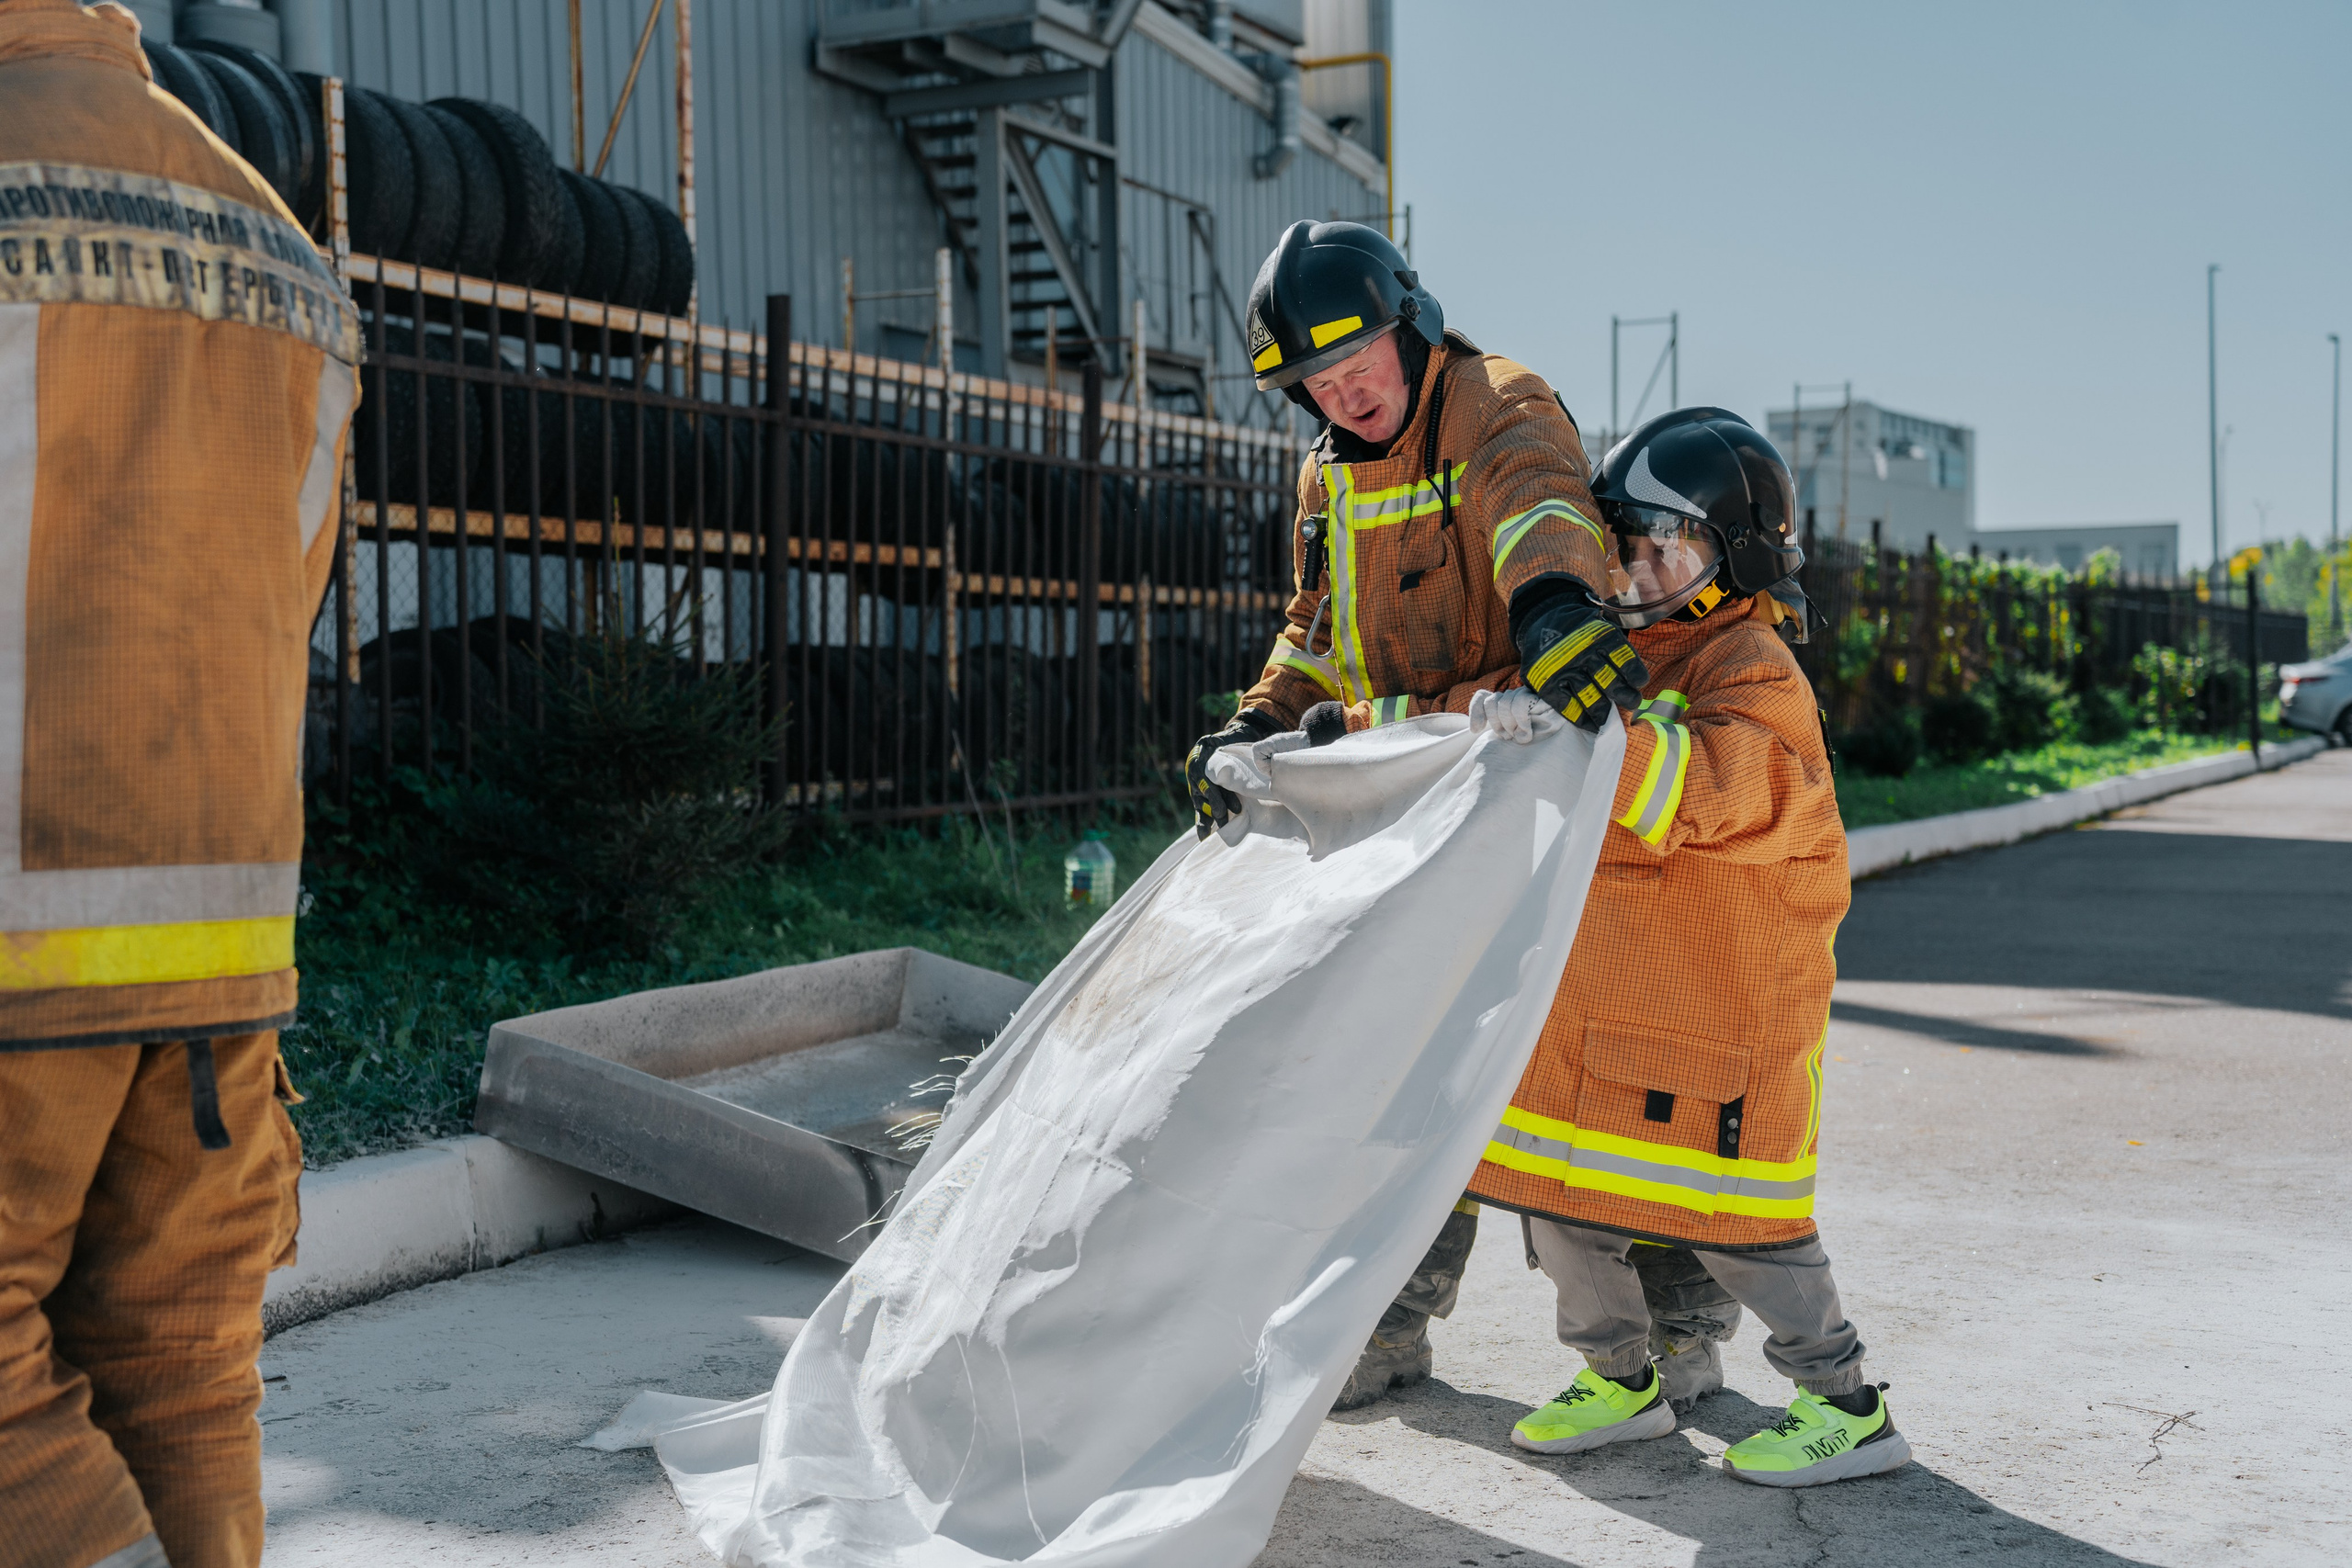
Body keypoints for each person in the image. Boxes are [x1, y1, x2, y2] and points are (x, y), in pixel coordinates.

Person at [0, 4, 361, 1564]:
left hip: (15, 905)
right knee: (187, 1373)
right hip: (217, 936)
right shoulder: (277, 241)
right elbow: (295, 589)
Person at [1183, 218, 1649, 1409]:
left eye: (1358, 362)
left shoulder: (1496, 400)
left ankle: (1674, 1331)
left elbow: (1539, 501)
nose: (1342, 391)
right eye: (1314, 381)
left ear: (1413, 326)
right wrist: (1259, 716)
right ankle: (1386, 1318)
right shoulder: (1327, 472)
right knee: (1395, 1080)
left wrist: (1554, 603)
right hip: (1412, 811)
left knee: (1583, 1075)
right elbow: (1317, 624)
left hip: (1526, 784)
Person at [1463, 407, 1909, 1487]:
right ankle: (1618, 1381)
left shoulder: (1749, 662)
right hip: (1607, 1005)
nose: (1641, 566)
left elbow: (1727, 783)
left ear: (1737, 559)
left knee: (1740, 1222)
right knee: (1557, 1192)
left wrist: (1592, 736)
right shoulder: (1616, 654)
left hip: (1721, 1009)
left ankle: (1845, 1405)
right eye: (1629, 543)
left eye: (1671, 544)